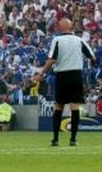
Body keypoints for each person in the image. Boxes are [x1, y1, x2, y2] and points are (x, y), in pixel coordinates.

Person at [41, 18, 98, 146]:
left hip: (62, 75)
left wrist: (41, 73)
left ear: (60, 28)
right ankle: (73, 139)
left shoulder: (57, 40)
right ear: (71, 27)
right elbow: (92, 56)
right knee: (75, 106)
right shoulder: (79, 40)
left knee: (59, 106)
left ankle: (55, 139)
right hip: (76, 75)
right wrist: (92, 65)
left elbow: (51, 60)